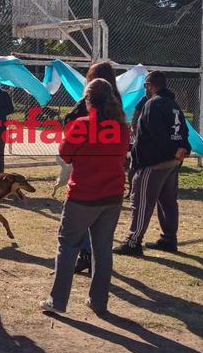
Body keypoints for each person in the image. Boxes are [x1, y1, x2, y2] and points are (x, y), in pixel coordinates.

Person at [40, 79, 130, 315]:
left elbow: (65, 155)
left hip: (83, 195)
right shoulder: (122, 127)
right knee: (103, 249)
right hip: (112, 196)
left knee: (68, 245)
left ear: (89, 101)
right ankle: (99, 301)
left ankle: (57, 301)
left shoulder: (81, 125)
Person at [115, 71, 191, 255]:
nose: (145, 89)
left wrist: (138, 159)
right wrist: (183, 148)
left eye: (145, 86)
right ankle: (169, 239)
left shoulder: (153, 104)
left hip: (154, 162)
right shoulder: (173, 104)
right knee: (168, 202)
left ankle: (133, 241)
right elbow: (184, 131)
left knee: (141, 202)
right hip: (172, 162)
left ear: (150, 85)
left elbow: (153, 134)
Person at [63, 61, 122, 272]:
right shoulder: (116, 103)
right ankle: (93, 263)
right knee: (102, 243)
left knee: (73, 232)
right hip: (110, 179)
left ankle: (86, 253)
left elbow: (66, 145)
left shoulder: (89, 105)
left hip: (86, 172)